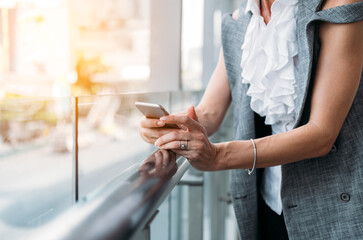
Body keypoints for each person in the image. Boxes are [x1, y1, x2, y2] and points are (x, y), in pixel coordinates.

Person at [139, 0, 363, 239]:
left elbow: (322, 134)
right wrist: (169, 125)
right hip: (267, 204)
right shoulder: (239, 22)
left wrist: (217, 156)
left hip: (337, 207)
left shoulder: (338, 5)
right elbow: (208, 113)